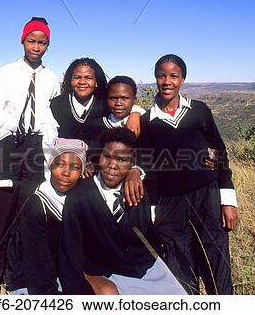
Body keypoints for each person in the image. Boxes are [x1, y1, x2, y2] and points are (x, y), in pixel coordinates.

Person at [0, 17, 60, 295]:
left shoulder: (51, 78)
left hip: (36, 151)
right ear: (22, 41)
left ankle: (17, 284)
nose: (36, 46)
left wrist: (50, 166)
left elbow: (52, 124)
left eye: (42, 42)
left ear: (48, 45)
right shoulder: (5, 74)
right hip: (8, 150)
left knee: (27, 221)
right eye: (32, 41)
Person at [139, 54, 239, 294]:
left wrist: (228, 201)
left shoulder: (199, 111)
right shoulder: (147, 121)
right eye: (162, 75)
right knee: (179, 264)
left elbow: (220, 152)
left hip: (205, 196)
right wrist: (152, 212)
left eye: (174, 76)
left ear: (182, 79)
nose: (167, 81)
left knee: (215, 257)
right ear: (155, 79)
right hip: (168, 203)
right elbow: (149, 168)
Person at [58, 128, 186, 295]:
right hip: (101, 271)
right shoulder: (80, 196)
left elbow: (146, 233)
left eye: (121, 159)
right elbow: (70, 247)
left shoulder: (137, 190)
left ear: (132, 163)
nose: (112, 165)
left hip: (141, 268)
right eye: (107, 156)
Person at [19, 138, 87, 294]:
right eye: (60, 164)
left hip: (67, 275)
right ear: (50, 166)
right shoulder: (37, 204)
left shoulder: (79, 198)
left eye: (75, 167)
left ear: (82, 173)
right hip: (37, 282)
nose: (65, 173)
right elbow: (36, 263)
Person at [50, 59, 142, 170]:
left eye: (88, 78)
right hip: (63, 166)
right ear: (70, 80)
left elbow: (124, 105)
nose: (82, 82)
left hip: (95, 167)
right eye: (77, 77)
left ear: (97, 81)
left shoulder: (104, 104)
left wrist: (136, 113)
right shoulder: (56, 105)